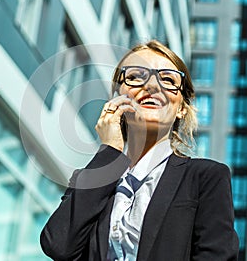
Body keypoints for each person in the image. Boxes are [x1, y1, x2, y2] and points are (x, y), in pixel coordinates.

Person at [40, 40, 239, 260]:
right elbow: (58, 246)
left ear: (182, 108)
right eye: (135, 76)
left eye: (167, 79)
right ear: (117, 96)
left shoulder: (207, 178)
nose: (153, 86)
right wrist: (110, 153)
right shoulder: (93, 179)